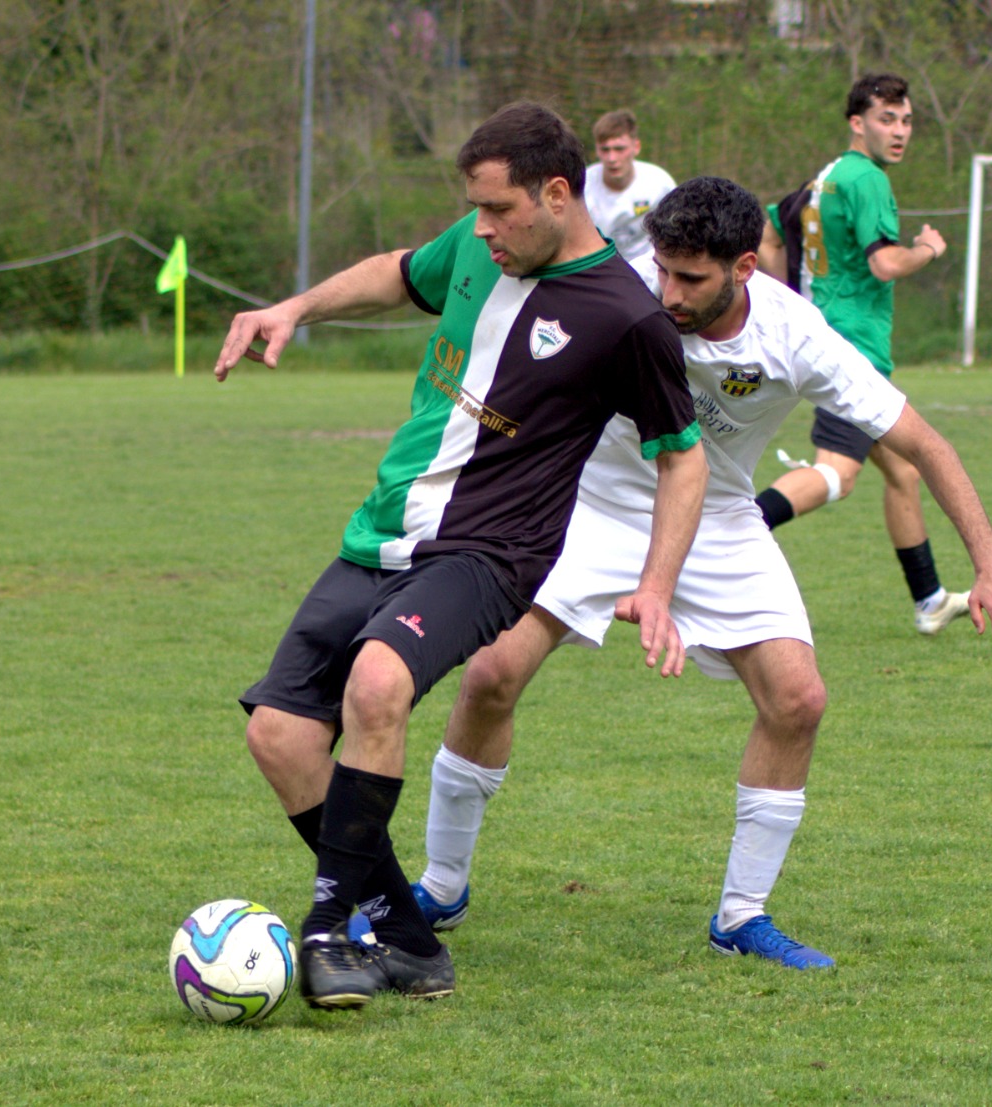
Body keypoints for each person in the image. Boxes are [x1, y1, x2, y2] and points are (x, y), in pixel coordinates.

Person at [410, 177, 992, 971]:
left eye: (691, 278)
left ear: (743, 267)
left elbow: (926, 444)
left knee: (798, 698)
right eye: (662, 270)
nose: (669, 293)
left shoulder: (794, 334)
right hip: (590, 503)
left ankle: (741, 916)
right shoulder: (621, 293)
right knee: (491, 673)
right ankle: (441, 886)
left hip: (719, 517)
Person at [212, 101, 708, 1011]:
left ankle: (327, 929)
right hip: (382, 533)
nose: (482, 228)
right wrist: (295, 308)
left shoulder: (627, 318)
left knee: (376, 683)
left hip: (489, 553)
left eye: (498, 209)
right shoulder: (483, 248)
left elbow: (683, 456)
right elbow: (399, 273)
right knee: (278, 734)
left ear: (556, 195)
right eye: (475, 209)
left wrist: (656, 585)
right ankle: (409, 940)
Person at [754, 73, 965, 636]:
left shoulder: (823, 179)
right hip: (853, 349)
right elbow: (885, 263)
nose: (899, 131)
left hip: (826, 336)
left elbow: (769, 234)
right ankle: (728, 531)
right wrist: (928, 248)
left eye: (906, 120)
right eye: (886, 119)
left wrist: (794, 301)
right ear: (857, 123)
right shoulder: (868, 179)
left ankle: (930, 599)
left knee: (903, 471)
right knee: (837, 474)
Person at [583, 108, 677, 262]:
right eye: (605, 150)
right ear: (597, 150)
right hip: (600, 265)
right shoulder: (582, 186)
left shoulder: (660, 183)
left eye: (619, 149)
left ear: (636, 147)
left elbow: (675, 234)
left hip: (649, 267)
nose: (612, 158)